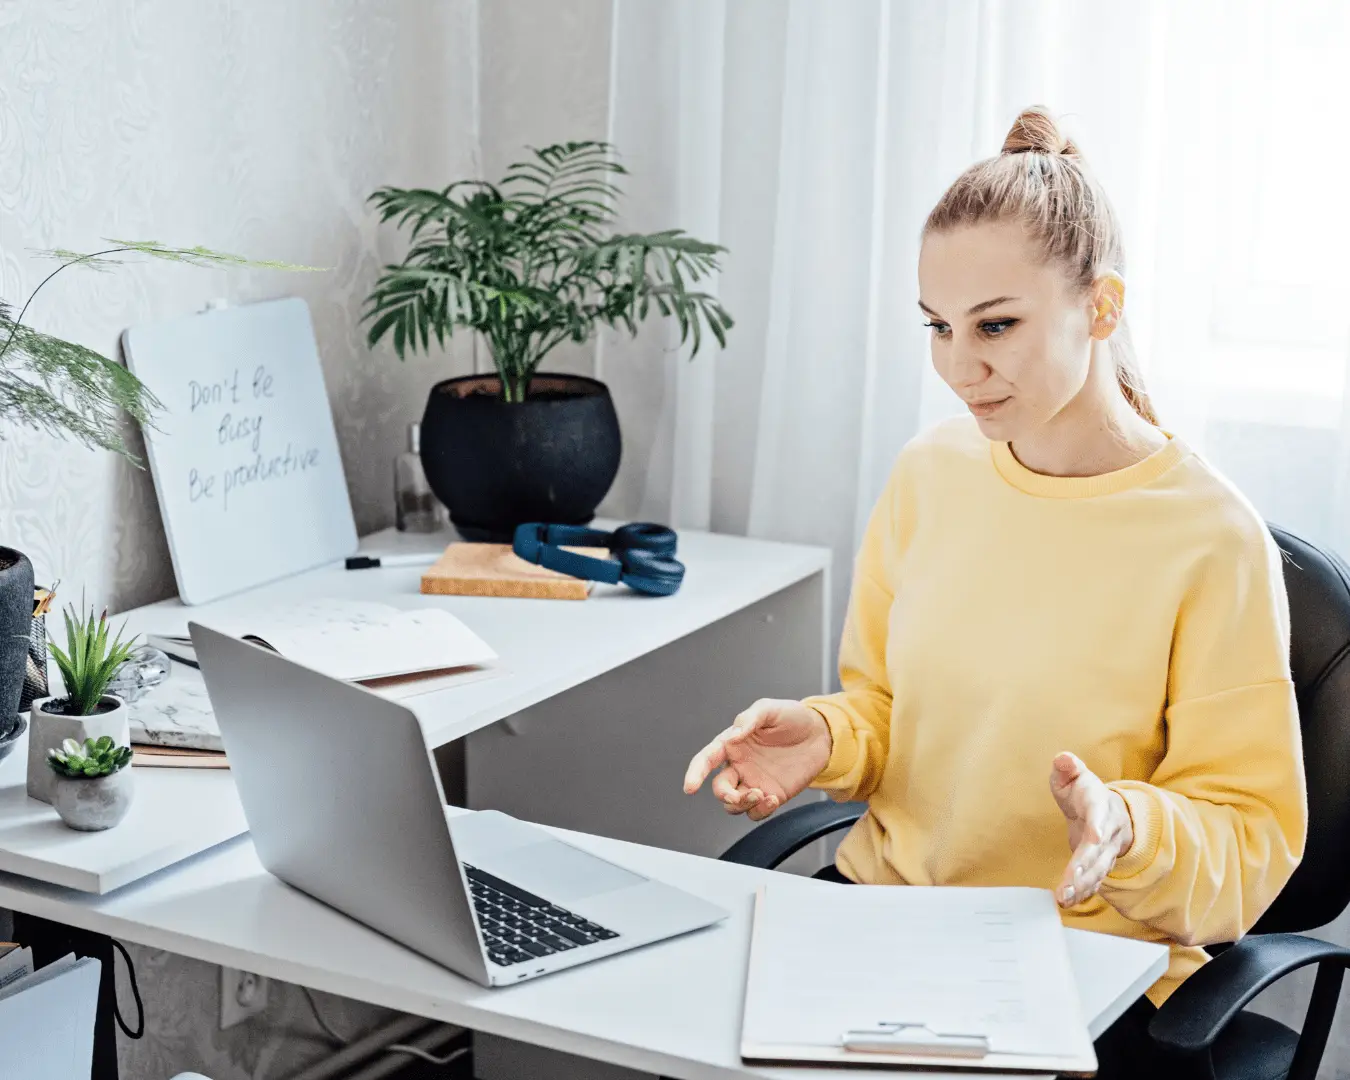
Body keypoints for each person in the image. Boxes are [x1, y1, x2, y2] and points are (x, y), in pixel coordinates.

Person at [682, 105, 1308, 1078]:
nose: (958, 367)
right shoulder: (931, 474)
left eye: (997, 326)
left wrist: (1129, 829)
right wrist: (833, 737)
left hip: (1087, 966)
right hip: (891, 924)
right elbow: (889, 709)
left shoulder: (1211, 539)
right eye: (938, 327)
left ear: (1100, 309)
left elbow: (1249, 843)